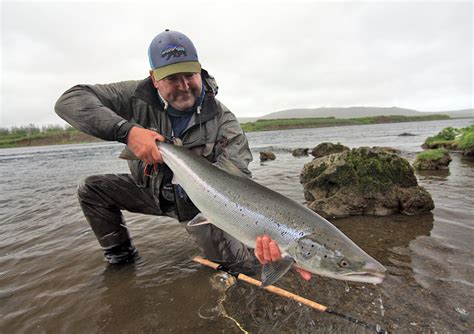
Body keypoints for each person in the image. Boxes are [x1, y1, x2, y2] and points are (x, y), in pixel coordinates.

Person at [55, 29, 311, 280]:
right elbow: (70, 101)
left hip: (202, 204)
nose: (184, 86)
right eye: (172, 78)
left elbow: (239, 185)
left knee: (242, 272)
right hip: (151, 192)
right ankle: (120, 262)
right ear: (154, 78)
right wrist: (128, 132)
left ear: (199, 70)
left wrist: (277, 242)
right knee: (92, 189)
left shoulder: (224, 122)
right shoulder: (134, 96)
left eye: (190, 75)